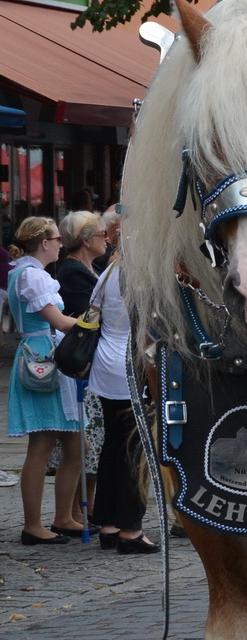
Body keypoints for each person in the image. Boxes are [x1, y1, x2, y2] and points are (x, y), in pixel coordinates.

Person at [7, 217, 87, 544]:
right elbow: (59, 321)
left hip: (46, 353)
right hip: (41, 358)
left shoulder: (27, 272)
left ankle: (63, 517)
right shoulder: (31, 275)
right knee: (41, 445)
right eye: (57, 239)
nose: (60, 244)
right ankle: (33, 525)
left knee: (75, 444)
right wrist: (94, 322)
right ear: (44, 243)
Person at [84, 212, 158, 553]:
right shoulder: (141, 275)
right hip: (131, 366)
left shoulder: (110, 271)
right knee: (134, 450)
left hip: (106, 364)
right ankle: (130, 529)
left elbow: (93, 312)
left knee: (114, 446)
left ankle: (109, 524)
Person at [54, 210, 104, 317]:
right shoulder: (72, 272)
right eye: (102, 233)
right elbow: (92, 312)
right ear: (86, 240)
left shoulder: (90, 266)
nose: (106, 238)